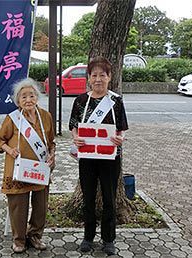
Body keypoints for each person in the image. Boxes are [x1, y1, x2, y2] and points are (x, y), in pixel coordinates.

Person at [69, 56, 128, 255]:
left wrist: (120, 139)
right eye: (94, 75)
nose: (98, 79)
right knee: (88, 198)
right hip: (87, 157)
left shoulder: (115, 101)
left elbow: (121, 129)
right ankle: (88, 236)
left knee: (110, 199)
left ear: (110, 77)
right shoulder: (81, 100)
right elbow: (74, 127)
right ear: (88, 78)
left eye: (102, 75)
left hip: (110, 158)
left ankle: (108, 239)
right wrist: (76, 139)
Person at [0, 78, 56, 253]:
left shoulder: (46, 116)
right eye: (23, 97)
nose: (28, 100)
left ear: (37, 97)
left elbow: (51, 142)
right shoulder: (13, 119)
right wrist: (9, 149)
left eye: (31, 95)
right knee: (18, 207)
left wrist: (51, 155)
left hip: (39, 170)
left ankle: (35, 236)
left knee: (40, 207)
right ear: (18, 101)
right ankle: (19, 240)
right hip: (18, 170)